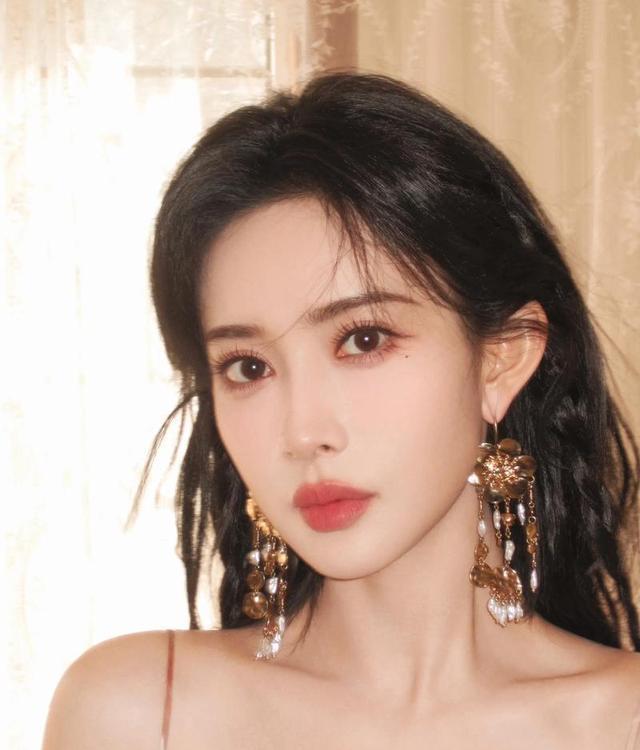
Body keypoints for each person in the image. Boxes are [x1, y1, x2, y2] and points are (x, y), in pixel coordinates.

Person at [43, 71, 640, 749]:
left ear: (501, 359)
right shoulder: (139, 714)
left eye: (364, 340)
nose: (303, 433)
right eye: (248, 367)